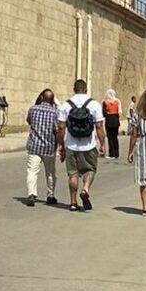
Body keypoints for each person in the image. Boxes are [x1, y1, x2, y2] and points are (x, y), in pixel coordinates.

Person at [57, 79, 105, 212]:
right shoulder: (94, 104)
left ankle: (73, 202)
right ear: (85, 89)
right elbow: (99, 126)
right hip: (88, 145)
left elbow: (61, 127)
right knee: (90, 170)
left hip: (71, 145)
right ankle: (85, 189)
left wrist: (61, 145)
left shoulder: (66, 105)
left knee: (72, 174)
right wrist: (102, 144)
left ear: (74, 89)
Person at [23, 89, 61, 207]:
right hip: (49, 147)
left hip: (34, 146)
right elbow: (57, 130)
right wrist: (59, 145)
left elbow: (29, 121)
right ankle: (50, 195)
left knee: (32, 171)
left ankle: (31, 194)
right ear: (52, 100)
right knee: (50, 172)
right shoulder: (54, 113)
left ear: (42, 98)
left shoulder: (33, 109)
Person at [102, 90, 123, 160]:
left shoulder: (105, 102)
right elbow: (120, 111)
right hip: (116, 119)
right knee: (115, 137)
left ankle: (112, 153)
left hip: (109, 119)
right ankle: (116, 153)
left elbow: (103, 112)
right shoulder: (118, 101)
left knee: (110, 137)